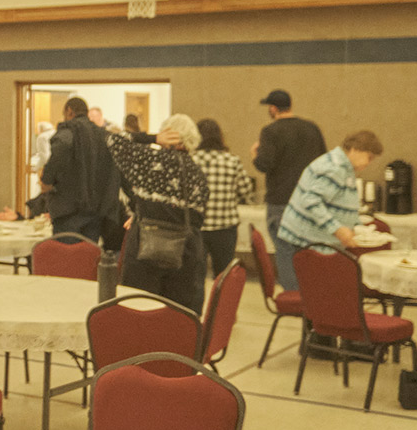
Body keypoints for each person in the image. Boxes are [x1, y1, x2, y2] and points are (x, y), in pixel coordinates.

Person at [103, 115, 211, 313]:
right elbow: (197, 218)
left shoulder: (149, 161)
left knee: (140, 312)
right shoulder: (198, 175)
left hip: (145, 250)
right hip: (185, 254)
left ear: (167, 135)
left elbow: (111, 139)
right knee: (177, 315)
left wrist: (152, 138)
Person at [276, 131, 384, 284]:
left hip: (308, 243)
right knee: (305, 299)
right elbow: (311, 201)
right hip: (301, 244)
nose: (369, 163)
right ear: (355, 149)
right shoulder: (335, 168)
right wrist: (338, 230)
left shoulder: (343, 166)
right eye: (369, 157)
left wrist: (356, 228)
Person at [252, 90, 328, 291]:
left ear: (273, 109)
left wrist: (255, 154)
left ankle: (295, 298)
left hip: (281, 201)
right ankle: (313, 295)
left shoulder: (270, 131)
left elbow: (264, 164)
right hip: (310, 201)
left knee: (285, 250)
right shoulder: (312, 129)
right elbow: (324, 162)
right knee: (309, 251)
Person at [43, 96, 124, 249]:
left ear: (69, 111)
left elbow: (56, 158)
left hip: (67, 209)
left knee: (66, 258)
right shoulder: (102, 135)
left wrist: (46, 181)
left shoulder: (66, 133)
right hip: (95, 209)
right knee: (87, 256)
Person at [192, 118, 254, 278]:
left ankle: (196, 304)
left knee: (195, 276)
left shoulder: (190, 160)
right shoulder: (232, 160)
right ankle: (220, 303)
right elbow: (247, 191)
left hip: (196, 227)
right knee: (223, 276)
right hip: (225, 228)